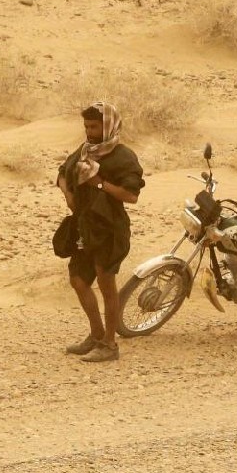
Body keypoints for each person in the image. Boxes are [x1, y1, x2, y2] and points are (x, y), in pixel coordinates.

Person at [57, 102, 145, 362]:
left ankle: (109, 344)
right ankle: (96, 335)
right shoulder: (85, 151)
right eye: (86, 126)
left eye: (94, 126)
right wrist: (68, 194)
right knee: (78, 280)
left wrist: (99, 183)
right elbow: (63, 173)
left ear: (108, 125)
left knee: (107, 285)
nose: (90, 131)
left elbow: (131, 195)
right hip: (84, 226)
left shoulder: (122, 156)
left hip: (109, 228)